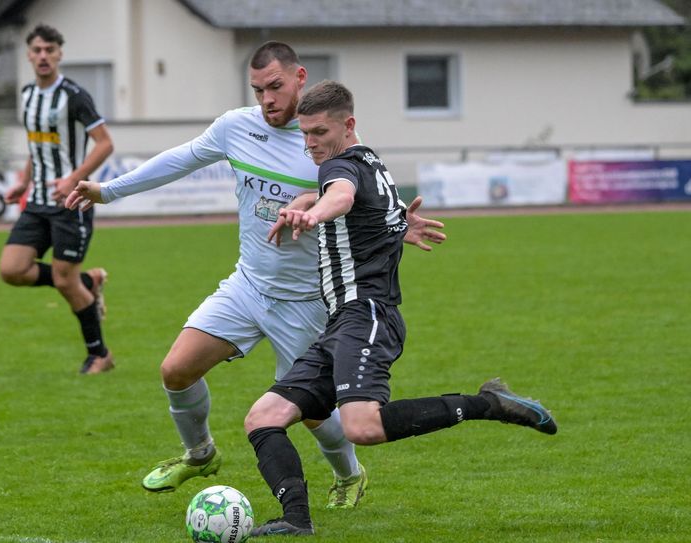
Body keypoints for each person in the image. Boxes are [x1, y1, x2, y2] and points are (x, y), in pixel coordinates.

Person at [65, 42, 446, 508]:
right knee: (176, 369)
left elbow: (356, 193)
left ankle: (349, 475)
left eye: (276, 86)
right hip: (248, 285)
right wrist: (108, 191)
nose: (266, 98)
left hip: (308, 301)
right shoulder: (235, 127)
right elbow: (180, 158)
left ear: (300, 78)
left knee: (311, 414)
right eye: (258, 89)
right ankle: (200, 454)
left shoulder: (327, 140)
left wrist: (397, 220)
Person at [244, 80, 558, 537]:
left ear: (348, 125)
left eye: (319, 132)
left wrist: (312, 213)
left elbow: (342, 196)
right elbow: (350, 199)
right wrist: (321, 205)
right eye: (304, 133)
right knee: (263, 417)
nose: (310, 143)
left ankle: (488, 403)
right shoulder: (370, 162)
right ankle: (296, 520)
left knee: (363, 427)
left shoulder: (343, 164)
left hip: (367, 315)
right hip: (341, 324)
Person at [0, 24, 115, 375]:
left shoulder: (74, 95)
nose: (43, 56)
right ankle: (87, 282)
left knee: (64, 282)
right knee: (11, 269)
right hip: (36, 201)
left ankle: (100, 355)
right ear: (29, 55)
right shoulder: (27, 94)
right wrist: (24, 182)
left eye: (50, 49)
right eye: (37, 50)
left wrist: (73, 179)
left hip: (70, 203)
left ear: (60, 54)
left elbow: (105, 143)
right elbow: (38, 145)